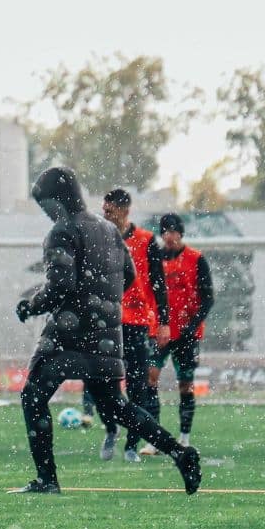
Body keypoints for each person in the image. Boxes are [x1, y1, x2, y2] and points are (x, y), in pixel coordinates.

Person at [12, 167, 201, 494]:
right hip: (107, 335)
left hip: (69, 334)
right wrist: (102, 303)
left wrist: (31, 305)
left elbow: (60, 286)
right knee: (116, 405)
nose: (47, 213)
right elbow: (128, 276)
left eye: (46, 205)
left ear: (58, 201)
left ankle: (47, 479)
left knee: (33, 396)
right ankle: (180, 452)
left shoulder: (62, 232)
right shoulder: (109, 230)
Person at [90, 189, 171, 463]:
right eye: (104, 210)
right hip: (105, 322)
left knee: (137, 385)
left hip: (136, 323)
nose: (105, 215)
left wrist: (163, 322)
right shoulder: (98, 238)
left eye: (109, 210)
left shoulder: (146, 241)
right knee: (100, 382)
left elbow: (159, 284)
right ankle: (111, 428)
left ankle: (131, 445)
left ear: (124, 211)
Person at [139, 213, 214, 454]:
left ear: (180, 233)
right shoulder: (155, 259)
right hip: (159, 331)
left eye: (172, 231)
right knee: (150, 378)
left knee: (185, 385)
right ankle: (155, 439)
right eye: (165, 232)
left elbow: (208, 298)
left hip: (186, 334)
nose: (168, 236)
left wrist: (193, 324)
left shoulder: (196, 259)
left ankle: (184, 438)